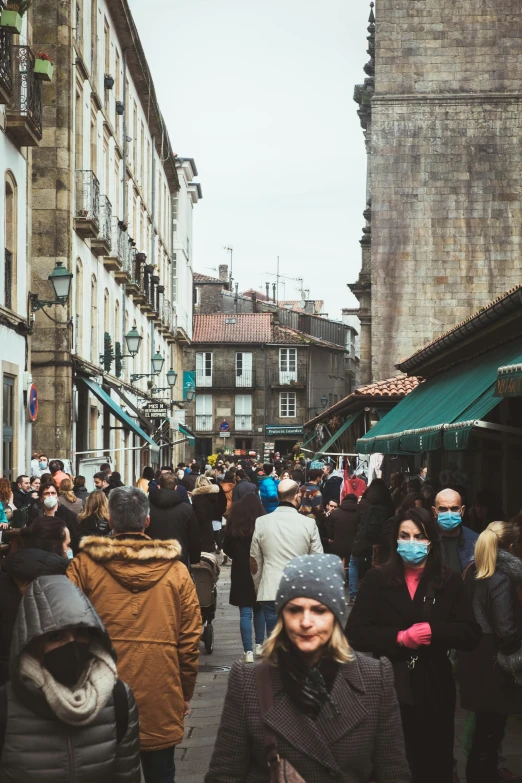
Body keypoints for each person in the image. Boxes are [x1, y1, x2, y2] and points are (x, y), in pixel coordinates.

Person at [206, 554, 411, 783]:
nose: (305, 622)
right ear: (282, 616)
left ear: (335, 617)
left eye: (319, 610)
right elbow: (224, 774)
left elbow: (393, 772)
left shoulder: (375, 678)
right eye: (294, 610)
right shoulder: (248, 680)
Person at [67, 486, 202, 783]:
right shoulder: (176, 572)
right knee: (161, 772)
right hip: (161, 685)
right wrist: (186, 690)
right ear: (147, 521)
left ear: (111, 521)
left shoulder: (83, 567)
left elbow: (68, 630)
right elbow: (190, 638)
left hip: (101, 691)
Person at [346, 507, 482, 783]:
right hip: (387, 684)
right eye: (404, 536)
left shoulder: (448, 581)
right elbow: (355, 633)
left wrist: (435, 631)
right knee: (389, 761)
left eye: (419, 536)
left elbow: (471, 634)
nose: (411, 542)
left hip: (434, 686)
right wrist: (398, 638)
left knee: (432, 763)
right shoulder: (377, 579)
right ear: (395, 540)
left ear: (431, 540)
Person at [0, 575, 141, 781]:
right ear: (33, 644)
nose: (72, 645)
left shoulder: (118, 699)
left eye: (81, 634)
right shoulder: (6, 705)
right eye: (56, 636)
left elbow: (127, 775)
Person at [457, 520, 522, 782]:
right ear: (510, 546)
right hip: (493, 662)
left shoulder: (472, 570)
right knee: (490, 734)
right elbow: (506, 633)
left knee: (482, 734)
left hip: (473, 656)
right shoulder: (501, 578)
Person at [0, 516, 70, 685]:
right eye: (67, 545)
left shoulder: (5, 576)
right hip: (48, 681)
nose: (68, 550)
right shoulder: (65, 584)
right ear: (56, 546)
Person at [250, 479, 323, 635]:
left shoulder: (262, 522)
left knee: (274, 638)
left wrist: (259, 586)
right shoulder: (308, 524)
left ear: (277, 497)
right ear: (297, 496)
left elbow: (255, 561)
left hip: (270, 590)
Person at [223, 494, 266, 663]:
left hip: (240, 570)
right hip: (259, 569)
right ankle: (259, 645)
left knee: (245, 612)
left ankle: (247, 651)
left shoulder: (234, 523)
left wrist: (238, 556)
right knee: (260, 608)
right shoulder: (262, 523)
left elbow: (226, 547)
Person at [349, 479, 394, 602]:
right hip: (380, 540)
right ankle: (376, 593)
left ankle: (353, 594)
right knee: (378, 566)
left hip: (363, 538)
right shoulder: (388, 503)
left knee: (353, 563)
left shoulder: (363, 502)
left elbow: (357, 521)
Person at [148, 472, 201, 567]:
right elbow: (193, 536)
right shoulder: (187, 509)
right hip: (179, 558)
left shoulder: (146, 508)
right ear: (176, 487)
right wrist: (194, 558)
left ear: (159, 487)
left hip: (152, 556)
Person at [433, 488, 478, 573]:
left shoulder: (476, 541)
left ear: (462, 510)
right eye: (443, 509)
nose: (449, 514)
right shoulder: (427, 541)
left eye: (454, 509)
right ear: (434, 512)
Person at [30, 482, 80, 552]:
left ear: (58, 497)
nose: (50, 496)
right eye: (46, 493)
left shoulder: (69, 516)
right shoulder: (36, 516)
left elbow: (76, 540)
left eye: (53, 493)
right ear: (41, 498)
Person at [191, 475, 227, 553]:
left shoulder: (198, 497)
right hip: (212, 521)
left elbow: (200, 513)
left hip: (201, 527)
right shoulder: (214, 494)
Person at [328, 492, 359, 565]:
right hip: (354, 547)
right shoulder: (359, 513)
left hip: (337, 547)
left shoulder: (335, 513)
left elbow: (330, 533)